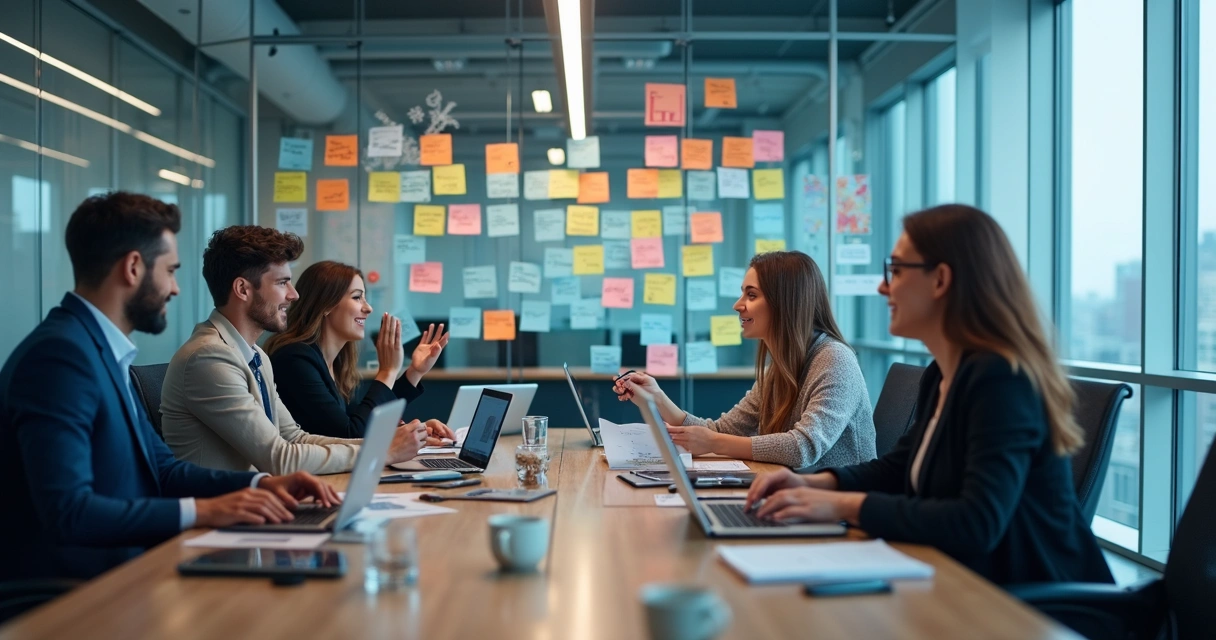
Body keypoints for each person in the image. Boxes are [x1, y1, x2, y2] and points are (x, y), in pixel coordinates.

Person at [744, 205, 1114, 586]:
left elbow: (976, 522)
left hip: (1033, 605)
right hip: (965, 582)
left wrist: (837, 505)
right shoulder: (944, 373)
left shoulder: (1002, 380)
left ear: (940, 280)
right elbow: (899, 467)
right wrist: (814, 484)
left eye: (897, 271)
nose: (883, 286)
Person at [0, 193, 339, 581]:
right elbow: (70, 511)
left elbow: (162, 469)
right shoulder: (60, 358)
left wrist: (262, 483)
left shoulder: (95, 351)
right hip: (79, 592)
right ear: (133, 268)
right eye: (170, 270)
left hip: (128, 572)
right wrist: (205, 511)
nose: (175, 289)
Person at [160, 226, 428, 475]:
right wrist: (379, 451)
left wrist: (389, 442)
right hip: (224, 515)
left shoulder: (254, 355)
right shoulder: (209, 357)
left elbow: (296, 438)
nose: (294, 294)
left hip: (261, 503)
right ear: (242, 289)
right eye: (281, 283)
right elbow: (279, 459)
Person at [613, 250, 876, 470]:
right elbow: (721, 429)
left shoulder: (835, 360)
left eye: (751, 295)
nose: (738, 305)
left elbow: (802, 448)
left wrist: (714, 442)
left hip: (839, 512)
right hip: (795, 496)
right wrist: (656, 398)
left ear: (785, 303)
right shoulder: (781, 368)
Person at [264, 260, 454, 441]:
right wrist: (387, 371)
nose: (368, 308)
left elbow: (362, 421)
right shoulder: (294, 360)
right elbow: (350, 434)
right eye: (357, 297)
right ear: (326, 305)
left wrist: (415, 373)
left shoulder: (332, 362)